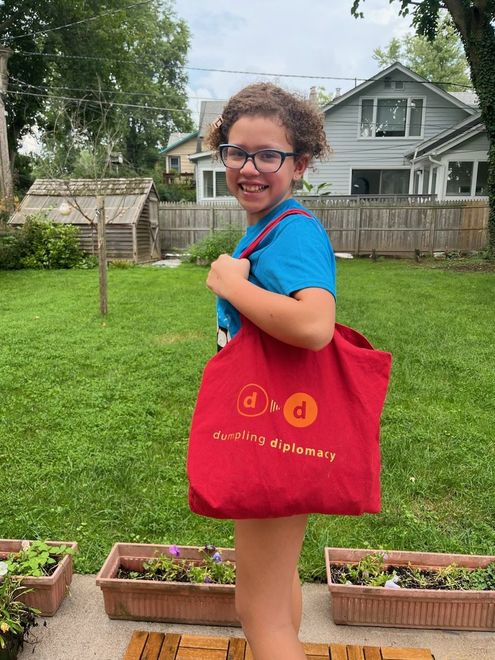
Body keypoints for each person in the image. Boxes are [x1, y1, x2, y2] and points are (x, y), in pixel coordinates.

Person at [204, 82, 336, 660]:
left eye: (269, 155)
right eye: (237, 152)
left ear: (299, 164)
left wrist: (231, 283)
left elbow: (315, 326)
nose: (250, 167)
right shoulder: (267, 225)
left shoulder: (293, 230)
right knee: (278, 591)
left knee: (256, 610)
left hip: (271, 429)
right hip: (278, 424)